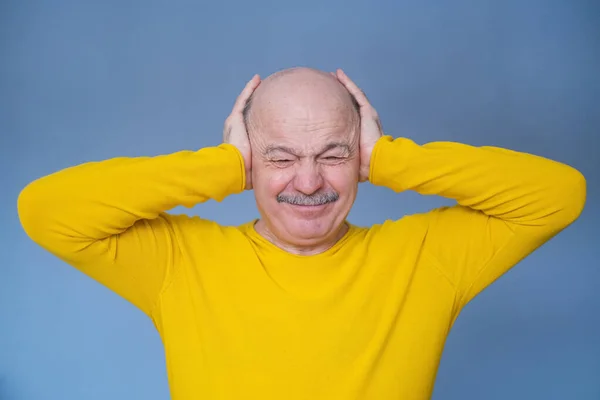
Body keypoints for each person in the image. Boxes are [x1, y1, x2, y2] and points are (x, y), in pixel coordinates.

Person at [18, 67, 586, 400]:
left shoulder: (425, 258)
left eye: (334, 155)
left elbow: (559, 196)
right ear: (250, 161)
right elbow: (45, 210)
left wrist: (389, 158)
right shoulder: (177, 261)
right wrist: (222, 166)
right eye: (281, 156)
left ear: (359, 158)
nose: (310, 181)